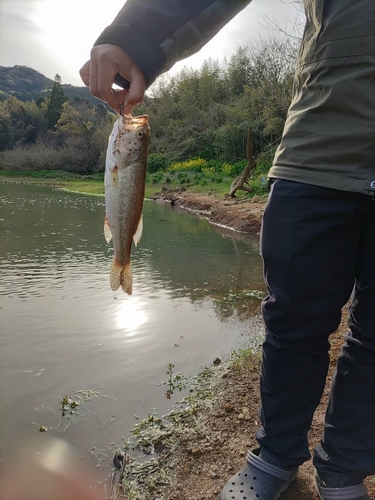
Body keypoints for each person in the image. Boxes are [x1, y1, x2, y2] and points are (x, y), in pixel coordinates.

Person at [80, 1, 375, 499]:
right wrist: (135, 36)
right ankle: (277, 454)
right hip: (319, 148)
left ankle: (345, 468)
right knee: (293, 322)